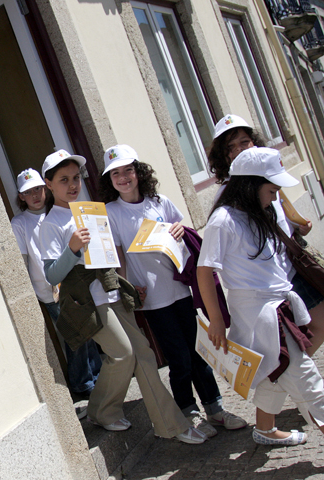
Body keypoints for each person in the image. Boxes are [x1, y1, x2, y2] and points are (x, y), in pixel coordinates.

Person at [37, 149, 205, 444]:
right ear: (49, 184)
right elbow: (52, 276)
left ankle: (153, 421)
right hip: (88, 302)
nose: (72, 185)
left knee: (141, 354)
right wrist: (73, 247)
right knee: (127, 352)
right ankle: (115, 412)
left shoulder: (89, 209)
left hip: (111, 292)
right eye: (63, 180)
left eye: (76, 178)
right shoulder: (50, 223)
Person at [100, 144, 246, 438]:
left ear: (138, 172)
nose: (123, 177)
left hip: (180, 291)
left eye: (128, 170)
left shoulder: (160, 202)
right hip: (151, 300)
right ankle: (188, 412)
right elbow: (118, 256)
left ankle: (215, 409)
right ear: (110, 180)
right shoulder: (111, 213)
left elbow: (181, 230)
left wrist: (179, 229)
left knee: (198, 353)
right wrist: (128, 290)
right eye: (116, 173)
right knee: (177, 359)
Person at [198, 146, 324, 445]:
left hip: (278, 306)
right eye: (271, 188)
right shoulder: (223, 221)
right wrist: (216, 319)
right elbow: (205, 270)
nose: (276, 194)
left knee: (277, 368)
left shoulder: (261, 212)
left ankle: (265, 430)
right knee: (307, 380)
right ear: (251, 185)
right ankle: (267, 430)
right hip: (261, 314)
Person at [208, 114, 324, 356]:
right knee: (306, 332)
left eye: (244, 142)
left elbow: (280, 209)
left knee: (311, 329)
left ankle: (293, 372)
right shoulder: (232, 194)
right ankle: (291, 374)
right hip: (272, 280)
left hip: (291, 267)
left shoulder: (264, 175)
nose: (239, 150)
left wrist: (297, 226)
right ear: (223, 155)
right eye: (230, 147)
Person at [11, 167, 102, 398]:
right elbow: (22, 260)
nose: (35, 195)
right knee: (74, 337)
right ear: (21, 196)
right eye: (28, 192)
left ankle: (98, 375)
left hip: (73, 284)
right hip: (49, 291)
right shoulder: (20, 224)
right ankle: (82, 384)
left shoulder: (57, 213)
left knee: (88, 330)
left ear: (46, 188)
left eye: (38, 189)